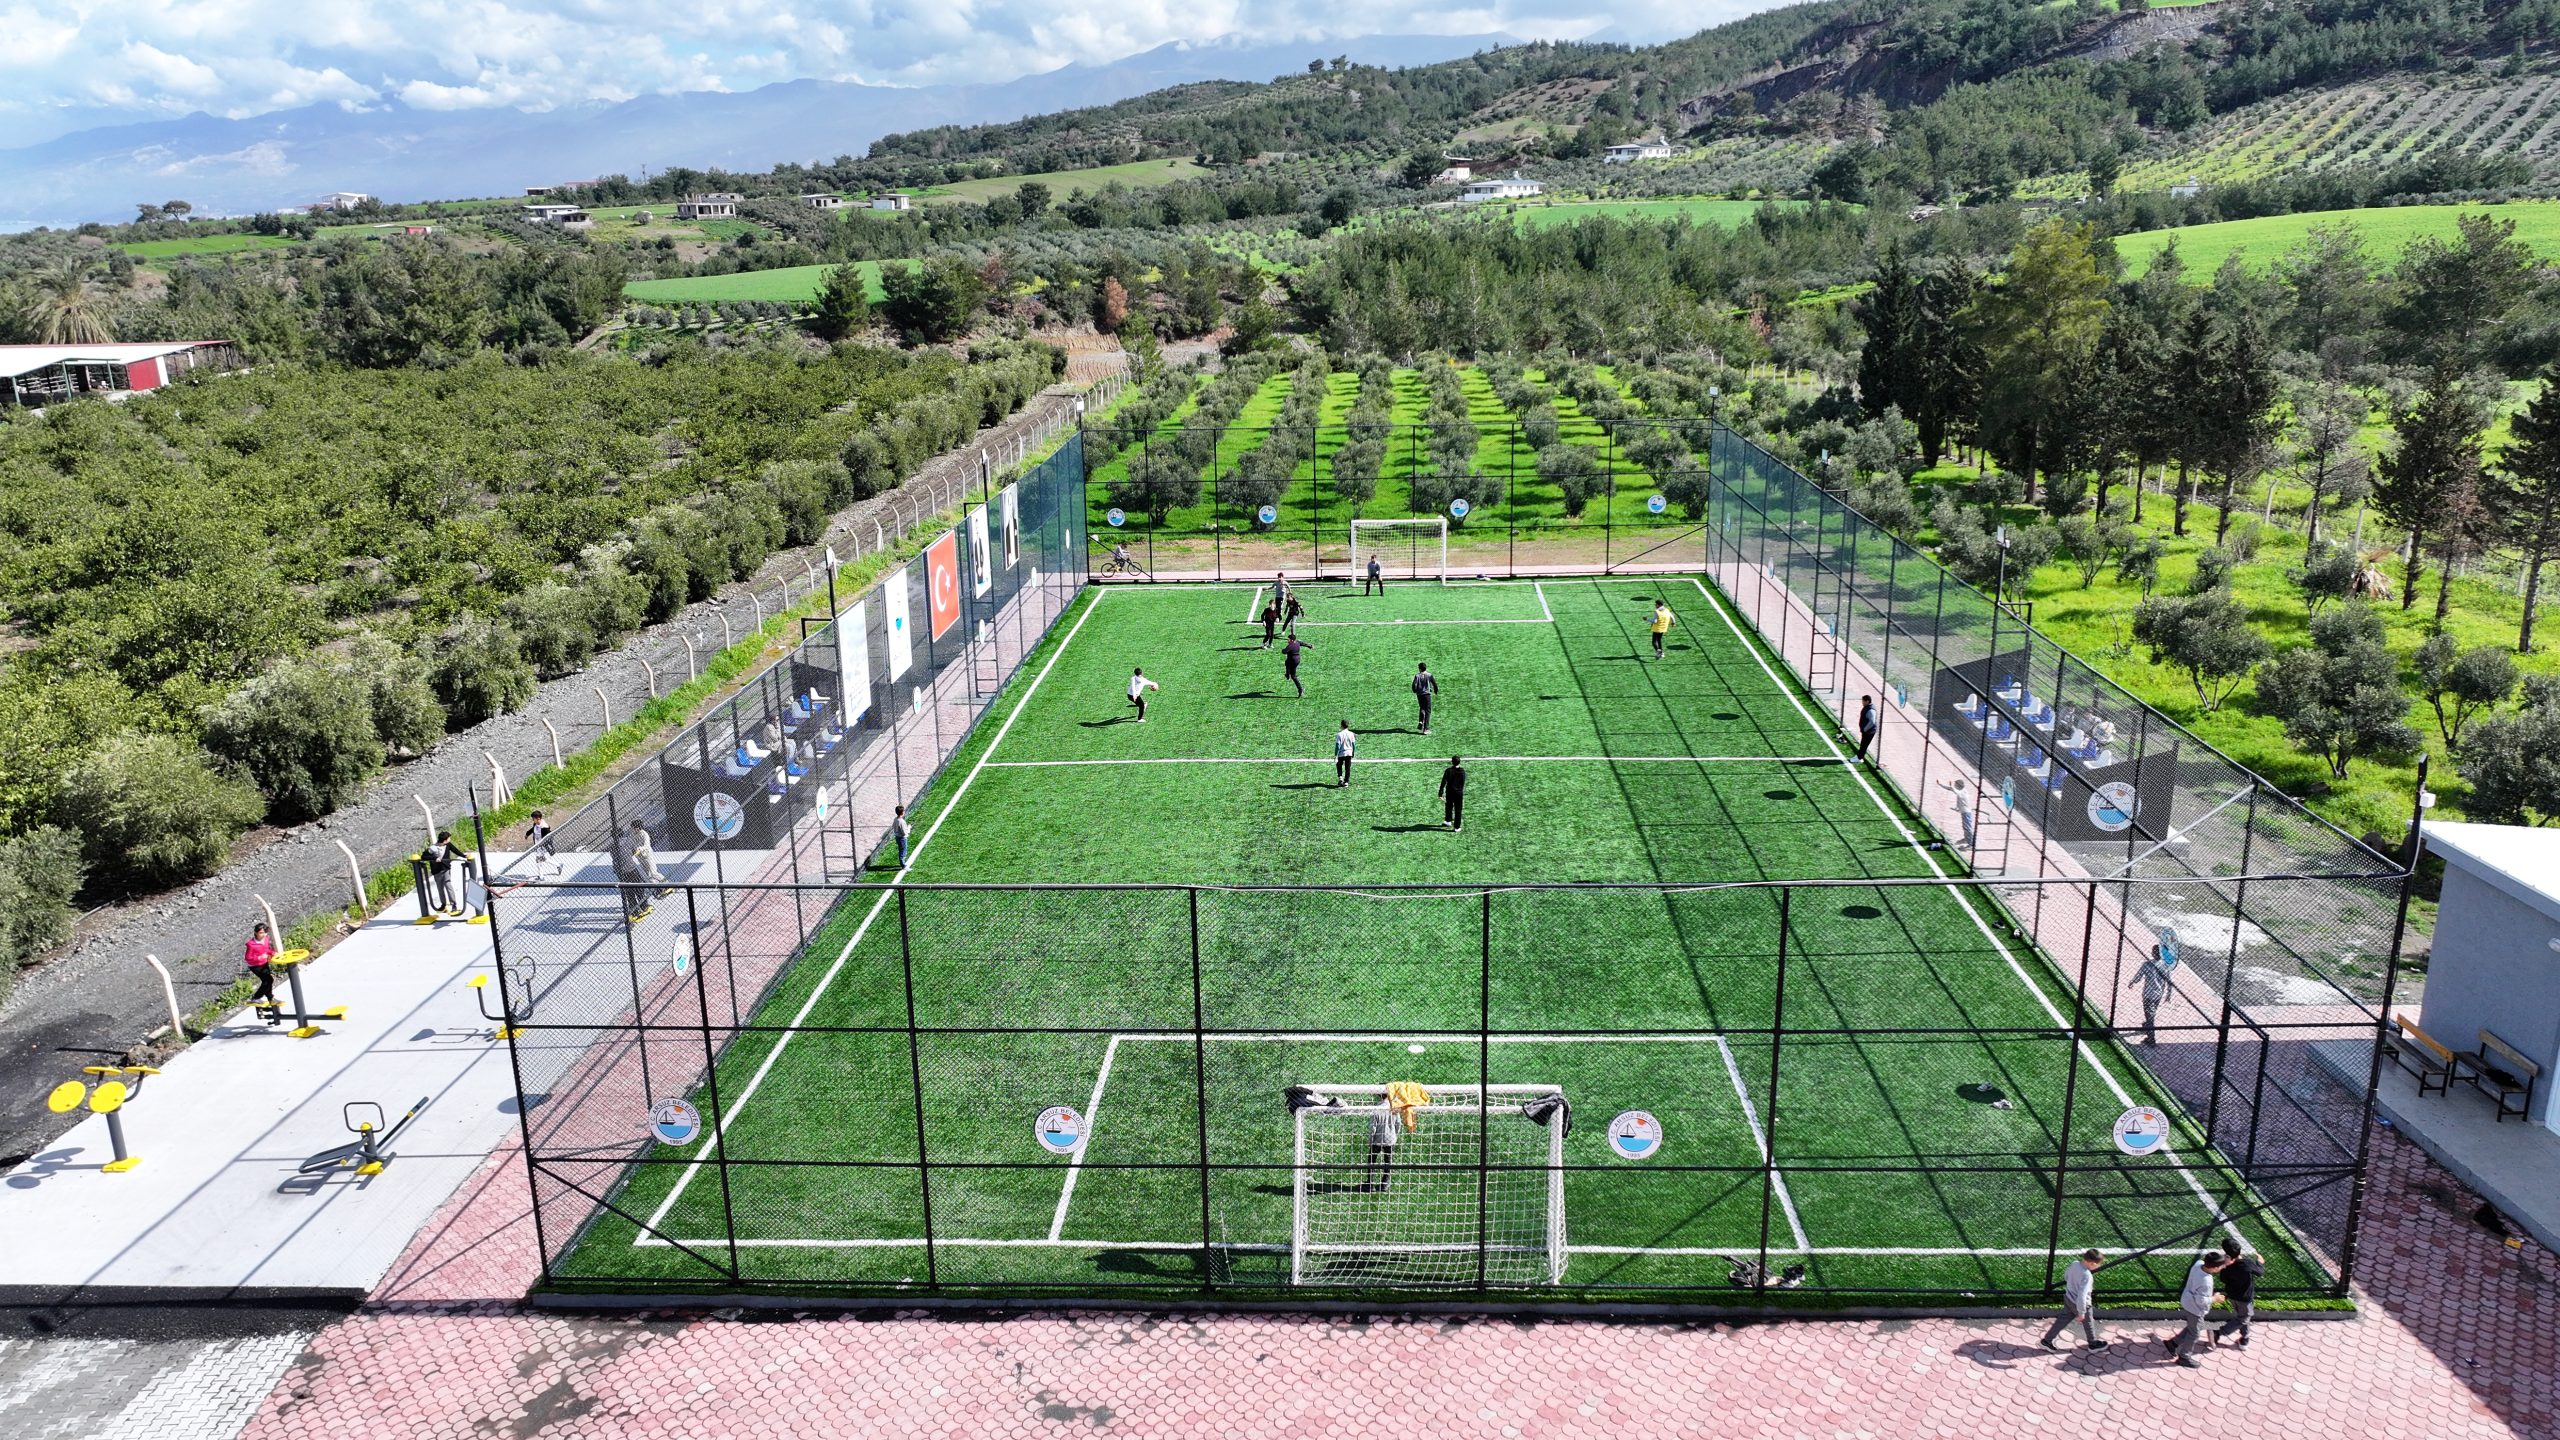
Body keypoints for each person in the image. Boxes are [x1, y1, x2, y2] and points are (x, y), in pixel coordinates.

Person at [2165, 1251, 2230, 1367]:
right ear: (2215, 1268)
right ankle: (2184, 1357)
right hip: (2195, 1309)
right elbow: (2201, 1301)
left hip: (2187, 1301)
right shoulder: (2206, 1281)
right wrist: (2214, 1298)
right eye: (2221, 1266)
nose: (2223, 1267)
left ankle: (2173, 1343)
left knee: (2193, 1327)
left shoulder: (2198, 1264)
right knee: (2194, 1333)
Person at [1363, 1081, 1429, 1193]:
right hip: (1390, 1139)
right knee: (1388, 1161)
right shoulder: (1394, 1107)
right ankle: (1385, 1183)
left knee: (1372, 1160)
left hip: (1377, 1140)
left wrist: (1370, 1140)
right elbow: (1398, 1124)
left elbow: (1373, 1127)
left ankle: (1370, 1184)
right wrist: (1394, 1135)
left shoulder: (1377, 1109)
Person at [2041, 1249, 2108, 1351]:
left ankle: (2047, 1341)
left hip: (2068, 1298)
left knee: (2062, 1320)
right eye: (2098, 1264)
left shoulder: (2075, 1264)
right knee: (2089, 1324)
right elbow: (2082, 1295)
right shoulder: (2087, 1276)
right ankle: (2093, 1344)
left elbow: (2066, 1276)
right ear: (2092, 1263)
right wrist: (2081, 1312)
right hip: (2081, 1305)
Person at [2212, 1241, 2262, 1349]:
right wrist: (2260, 1262)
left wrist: (2225, 1266)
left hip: (2232, 1296)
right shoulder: (2247, 1263)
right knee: (2243, 1319)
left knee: (2242, 1317)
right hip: (2245, 1298)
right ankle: (2218, 1333)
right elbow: (2260, 1272)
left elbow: (2223, 1279)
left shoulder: (2226, 1265)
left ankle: (2245, 1339)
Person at [2129, 941, 2179, 1046]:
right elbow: (2169, 982)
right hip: (2158, 994)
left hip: (2148, 994)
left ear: (2153, 953)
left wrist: (2132, 982)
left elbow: (2139, 976)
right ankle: (2147, 1025)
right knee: (2152, 1012)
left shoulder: (2147, 964)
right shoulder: (2165, 966)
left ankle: (2151, 1038)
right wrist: (2168, 995)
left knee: (2149, 1014)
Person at [426, 830, 465, 915]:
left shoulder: (448, 845)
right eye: (449, 838)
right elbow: (424, 856)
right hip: (436, 871)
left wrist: (464, 855)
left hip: (446, 869)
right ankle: (443, 905)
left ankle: (453, 904)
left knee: (448, 885)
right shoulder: (433, 848)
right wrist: (434, 858)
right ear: (445, 840)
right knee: (440, 888)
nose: (450, 839)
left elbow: (455, 850)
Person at [243, 921, 279, 1009]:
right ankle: (256, 998)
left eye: (265, 932)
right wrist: (259, 957)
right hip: (255, 966)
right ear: (256, 933)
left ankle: (270, 998)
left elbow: (266, 949)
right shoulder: (251, 945)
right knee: (268, 980)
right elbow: (248, 958)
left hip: (264, 963)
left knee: (268, 980)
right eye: (261, 933)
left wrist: (272, 952)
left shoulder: (265, 939)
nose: (263, 935)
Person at [1939, 778, 1977, 851]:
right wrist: (1940, 784)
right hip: (1964, 812)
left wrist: (1952, 787)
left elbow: (1955, 791)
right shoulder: (1961, 790)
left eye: (1955, 784)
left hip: (1966, 813)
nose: (1954, 786)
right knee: (1965, 827)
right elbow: (1950, 789)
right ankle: (1966, 839)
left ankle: (1971, 844)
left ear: (1958, 785)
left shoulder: (1962, 792)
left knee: (1967, 827)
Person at [524, 810, 556, 877]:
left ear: (538, 818)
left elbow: (549, 838)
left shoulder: (545, 828)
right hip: (537, 845)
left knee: (538, 860)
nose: (533, 820)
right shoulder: (536, 824)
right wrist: (527, 834)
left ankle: (541, 877)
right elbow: (533, 829)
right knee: (542, 859)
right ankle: (558, 865)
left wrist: (549, 847)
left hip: (543, 846)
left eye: (533, 819)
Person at [1439, 756, 1467, 832]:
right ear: (1459, 762)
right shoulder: (1462, 771)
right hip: (1458, 793)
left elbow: (1443, 782)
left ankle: (1448, 821)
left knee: (1449, 806)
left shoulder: (1448, 771)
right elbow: (1463, 782)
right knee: (1458, 810)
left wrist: (1440, 793)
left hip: (1450, 792)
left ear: (1452, 762)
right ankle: (1457, 827)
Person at [1412, 662, 1438, 735]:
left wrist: (1415, 691)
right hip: (1427, 695)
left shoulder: (1417, 675)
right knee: (1428, 711)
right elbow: (1434, 684)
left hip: (1419, 695)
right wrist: (1436, 690)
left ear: (1420, 669)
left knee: (1422, 708)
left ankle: (1421, 721)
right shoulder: (1429, 675)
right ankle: (1426, 728)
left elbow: (1413, 685)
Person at [1283, 633, 1310, 698]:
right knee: (1287, 663)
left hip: (1292, 660)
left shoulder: (1290, 646)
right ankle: (1287, 674)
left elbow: (1284, 651)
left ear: (1292, 640)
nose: (1287, 640)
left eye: (1288, 639)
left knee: (1293, 676)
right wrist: (1310, 646)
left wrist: (1283, 650)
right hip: (1297, 659)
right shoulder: (1297, 642)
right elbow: (1303, 643)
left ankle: (1300, 689)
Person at [1854, 695, 1879, 763]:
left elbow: (1872, 722)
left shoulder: (1871, 710)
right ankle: (1859, 756)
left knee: (1864, 745)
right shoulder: (1867, 707)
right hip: (1867, 731)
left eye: (1863, 701)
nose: (1862, 702)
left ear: (1867, 701)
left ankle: (1859, 758)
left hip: (1869, 732)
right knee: (1863, 744)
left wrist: (1865, 729)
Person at [1334, 721, 1356, 787]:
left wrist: (1336, 754)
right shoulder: (1351, 734)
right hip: (1349, 753)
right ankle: (1346, 782)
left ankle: (1340, 777)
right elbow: (1353, 745)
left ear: (1342, 725)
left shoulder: (1339, 734)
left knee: (1339, 765)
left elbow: (1337, 745)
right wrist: (1353, 753)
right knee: (1347, 767)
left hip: (1341, 753)